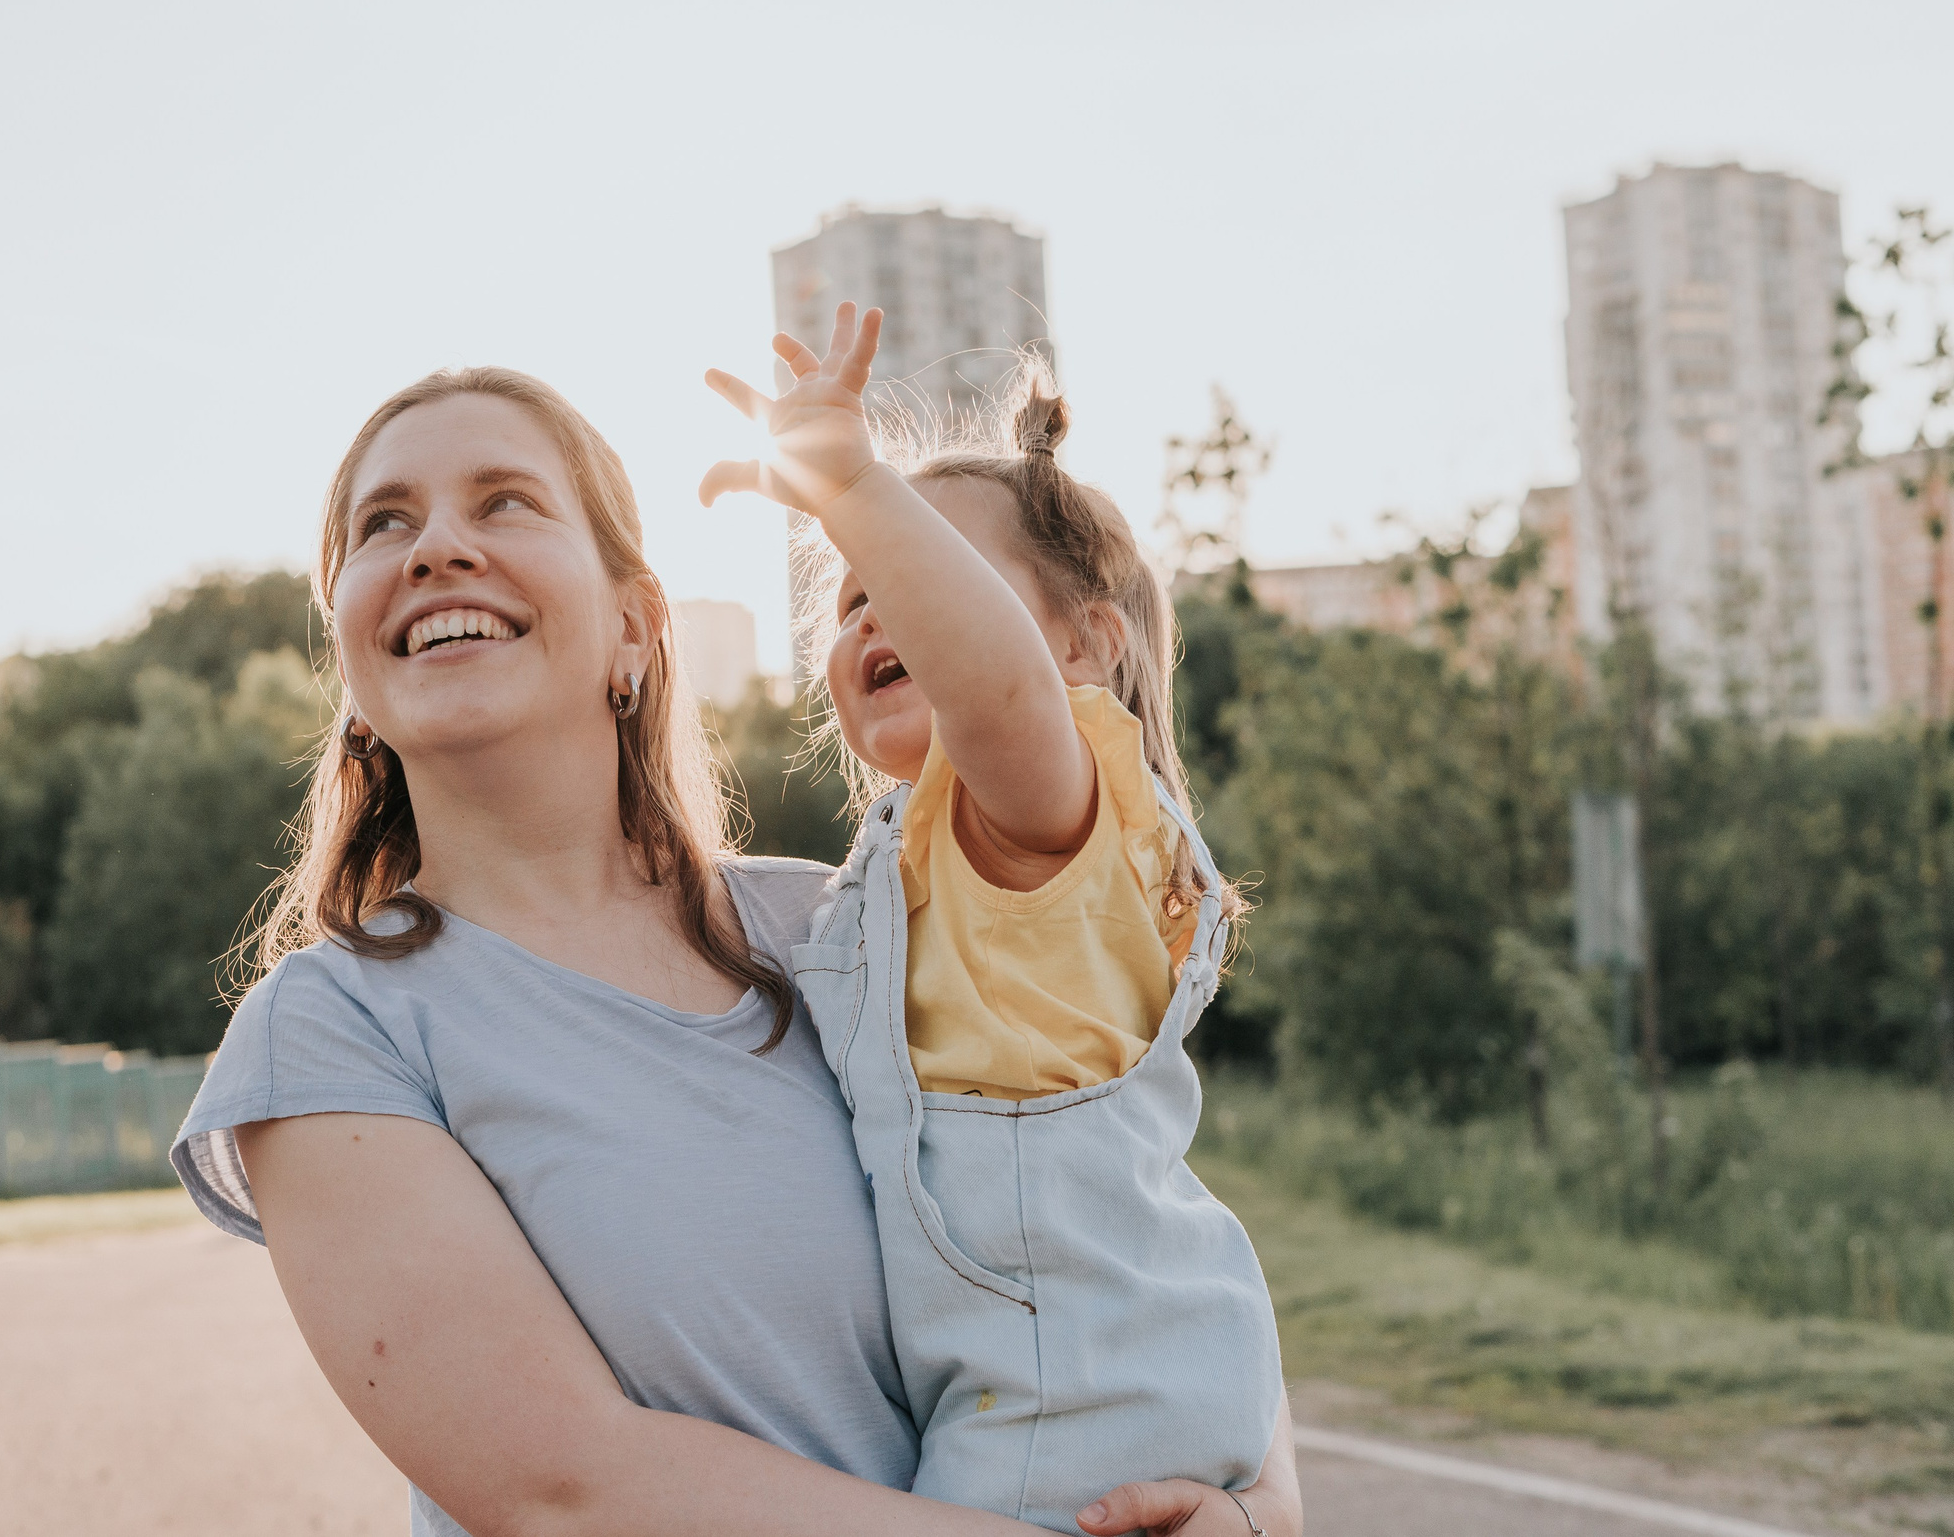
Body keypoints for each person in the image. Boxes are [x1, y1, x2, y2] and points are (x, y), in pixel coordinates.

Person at [169, 362, 1302, 1537]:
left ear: (635, 628)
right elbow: (561, 1490)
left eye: (505, 501)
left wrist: (1258, 1507)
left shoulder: (838, 931)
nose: (437, 546)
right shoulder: (331, 1030)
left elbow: (1126, 1215)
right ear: (349, 663)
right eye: (382, 522)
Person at [699, 302, 1287, 1533]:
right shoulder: (906, 866)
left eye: (918, 571)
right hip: (1037, 1380)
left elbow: (1000, 689)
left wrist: (852, 481)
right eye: (848, 598)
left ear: (1087, 647)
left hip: (1075, 1407)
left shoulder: (1042, 806)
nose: (870, 613)